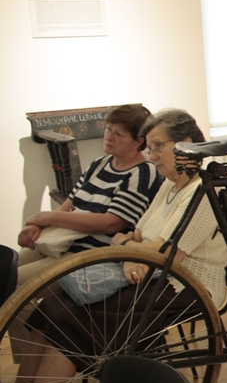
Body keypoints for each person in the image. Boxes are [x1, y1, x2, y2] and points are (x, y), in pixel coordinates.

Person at [4, 109, 227, 383]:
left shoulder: (202, 193)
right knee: (51, 309)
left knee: (74, 323)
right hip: (148, 273)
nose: (152, 156)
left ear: (186, 147)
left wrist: (127, 246)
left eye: (158, 147)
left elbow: (162, 252)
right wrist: (130, 246)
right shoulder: (170, 186)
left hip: (186, 286)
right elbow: (138, 234)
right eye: (150, 147)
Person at [15, 104, 161, 285]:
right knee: (6, 267)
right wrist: (37, 226)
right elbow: (70, 205)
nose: (109, 137)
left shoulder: (143, 173)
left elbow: (111, 223)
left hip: (85, 254)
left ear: (138, 141)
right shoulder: (99, 164)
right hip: (61, 241)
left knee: (12, 283)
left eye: (119, 134)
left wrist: (48, 218)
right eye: (109, 130)